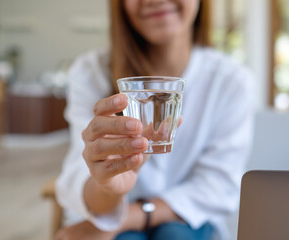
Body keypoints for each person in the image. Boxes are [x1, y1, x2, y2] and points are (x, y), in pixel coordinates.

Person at [54, 0, 254, 239]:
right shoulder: (89, 72)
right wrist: (107, 186)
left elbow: (216, 187)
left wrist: (129, 218)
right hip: (112, 220)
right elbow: (77, 177)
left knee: (175, 234)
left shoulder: (231, 80)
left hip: (187, 222)